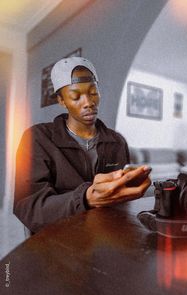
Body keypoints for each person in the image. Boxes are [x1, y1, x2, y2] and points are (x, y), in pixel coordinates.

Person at [14, 57, 151, 234]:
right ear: (62, 101)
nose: (88, 103)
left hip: (105, 237)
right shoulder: (38, 138)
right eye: (75, 96)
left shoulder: (117, 142)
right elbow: (28, 207)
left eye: (93, 92)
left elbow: (120, 201)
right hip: (57, 238)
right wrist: (86, 199)